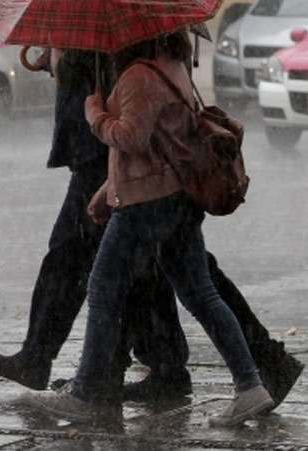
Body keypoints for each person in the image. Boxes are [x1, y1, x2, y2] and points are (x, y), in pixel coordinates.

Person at [19, 28, 277, 427]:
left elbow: (131, 138)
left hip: (145, 205)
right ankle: (250, 386)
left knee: (103, 288)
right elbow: (158, 145)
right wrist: (107, 190)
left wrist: (95, 114)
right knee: (202, 294)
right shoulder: (172, 67)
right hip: (174, 199)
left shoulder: (139, 75)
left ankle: (86, 393)